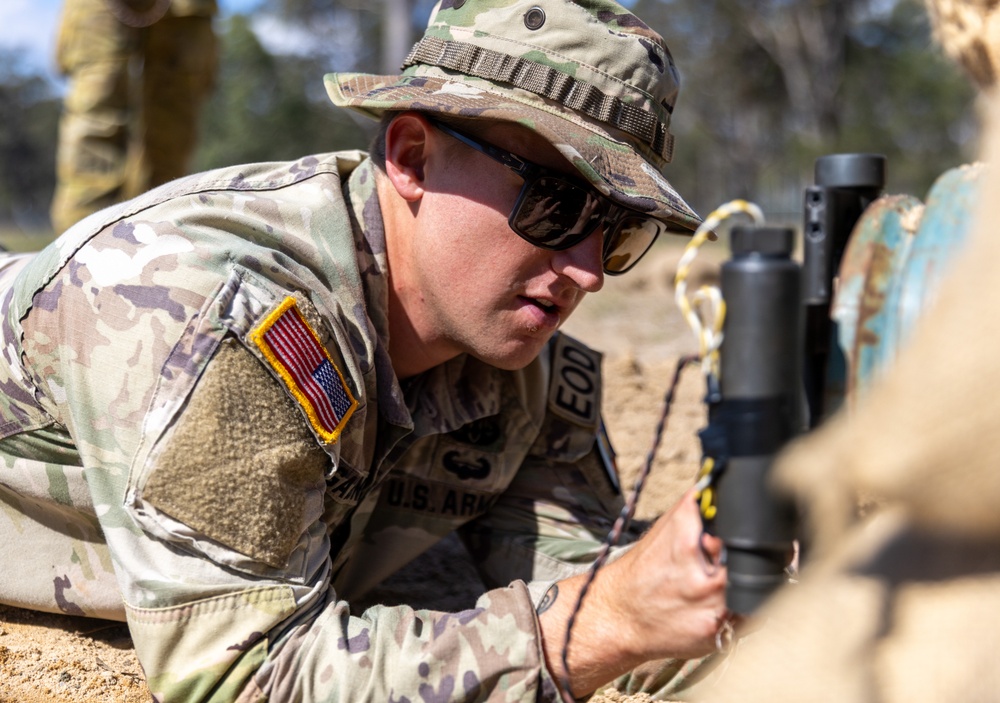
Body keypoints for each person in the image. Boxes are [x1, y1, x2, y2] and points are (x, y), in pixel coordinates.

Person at [0, 0, 733, 700]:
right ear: (412, 156)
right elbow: (245, 676)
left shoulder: (520, 361)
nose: (589, 270)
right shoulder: (214, 314)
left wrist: (754, 601)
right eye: (556, 205)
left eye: (617, 230)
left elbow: (578, 571)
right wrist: (606, 621)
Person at [49, 0, 218, 234]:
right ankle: (79, 247)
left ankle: (163, 239)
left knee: (173, 125)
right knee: (97, 112)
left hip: (184, 8)